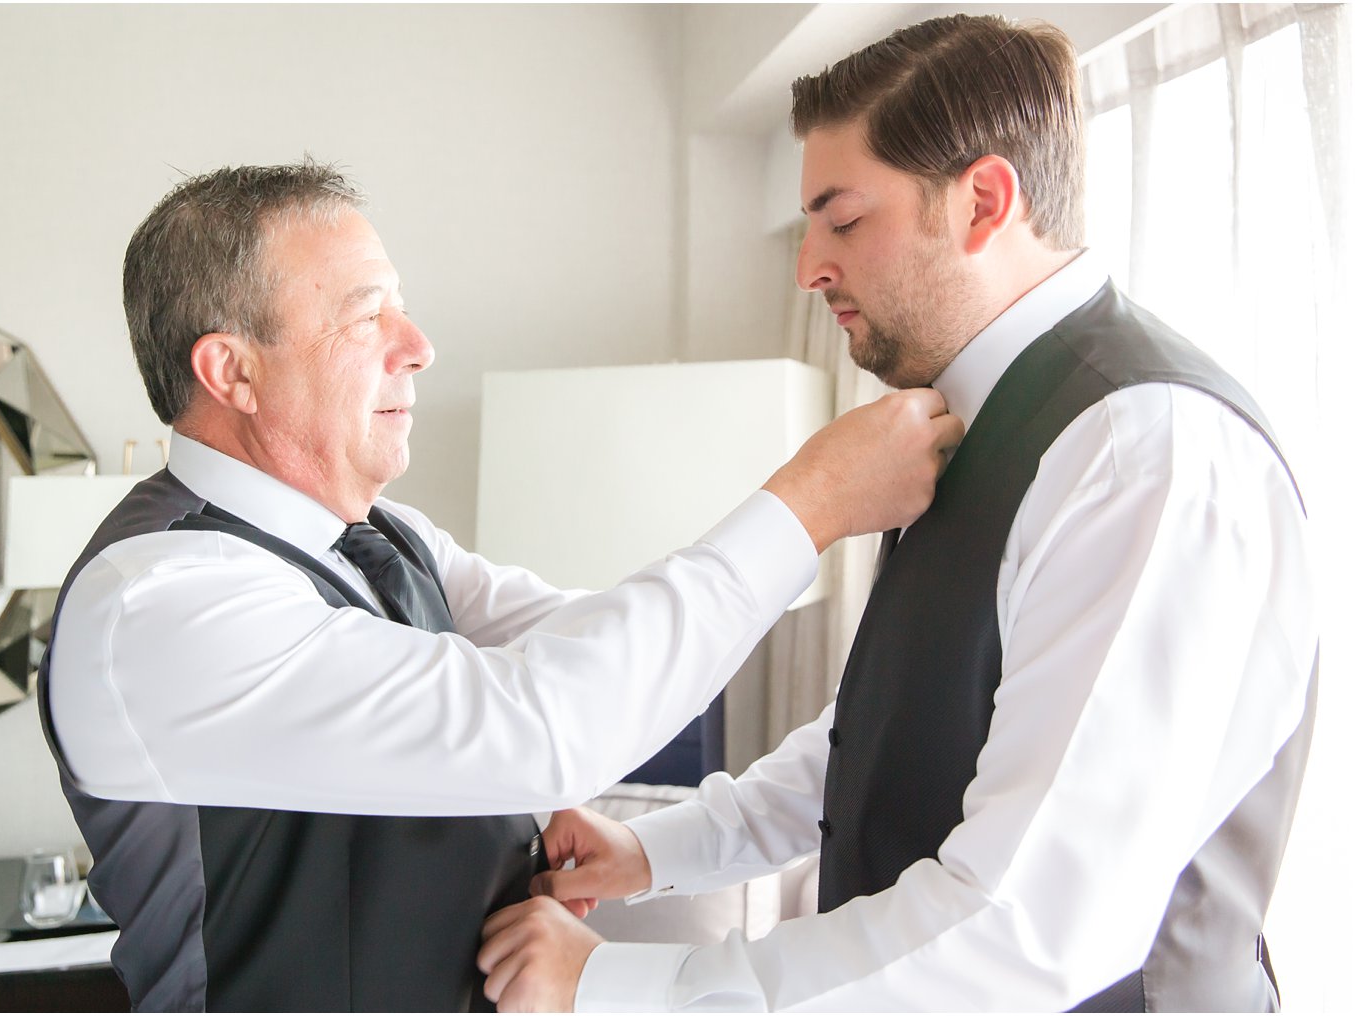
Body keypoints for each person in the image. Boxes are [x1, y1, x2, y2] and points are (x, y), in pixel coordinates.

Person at [478, 14, 1317, 1012]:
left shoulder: (1144, 451)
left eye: (841, 219)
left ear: (982, 201)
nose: (807, 270)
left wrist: (618, 982)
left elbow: (1024, 924)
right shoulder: (963, 428)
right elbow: (877, 739)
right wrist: (648, 848)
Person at [37, 161, 963, 1011]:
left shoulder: (385, 538)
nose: (418, 345)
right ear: (232, 370)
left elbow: (582, 643)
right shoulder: (158, 603)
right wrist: (810, 507)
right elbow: (554, 722)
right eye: (367, 317)